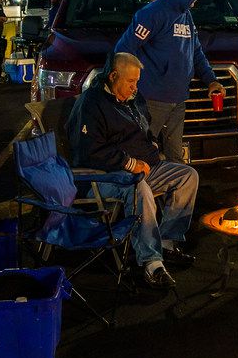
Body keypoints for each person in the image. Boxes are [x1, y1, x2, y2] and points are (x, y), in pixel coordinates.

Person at [66, 52, 199, 290]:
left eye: (137, 82)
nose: (134, 88)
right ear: (113, 75)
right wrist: (128, 163)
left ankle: (168, 242)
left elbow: (145, 129)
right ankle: (151, 263)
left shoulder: (132, 99)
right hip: (106, 176)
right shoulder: (91, 103)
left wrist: (153, 146)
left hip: (146, 167)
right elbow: (88, 151)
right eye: (130, 82)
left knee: (187, 176)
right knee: (140, 188)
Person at [114, 0, 225, 163]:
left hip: (178, 100)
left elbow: (196, 53)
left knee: (175, 157)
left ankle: (174, 191)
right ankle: (139, 192)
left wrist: (212, 81)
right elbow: (124, 49)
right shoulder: (153, 13)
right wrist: (126, 85)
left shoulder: (186, 16)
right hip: (151, 100)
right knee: (141, 153)